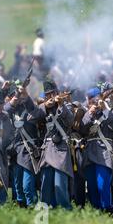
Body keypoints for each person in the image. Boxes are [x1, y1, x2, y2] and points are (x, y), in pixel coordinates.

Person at [80, 87, 113, 214]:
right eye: (91, 101)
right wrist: (90, 113)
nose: (93, 103)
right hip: (89, 153)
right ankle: (97, 211)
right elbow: (82, 129)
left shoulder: (109, 111)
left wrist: (104, 109)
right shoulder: (86, 113)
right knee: (92, 187)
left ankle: (108, 210)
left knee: (102, 185)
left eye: (95, 100)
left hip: (104, 152)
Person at [36, 78, 74, 209]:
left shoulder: (65, 106)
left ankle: (65, 211)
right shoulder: (44, 107)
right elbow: (32, 117)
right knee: (45, 184)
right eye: (48, 94)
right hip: (47, 149)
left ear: (57, 92)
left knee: (60, 184)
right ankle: (45, 213)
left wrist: (61, 105)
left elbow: (70, 121)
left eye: (53, 93)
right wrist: (46, 105)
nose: (50, 96)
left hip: (60, 148)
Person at [4, 81, 42, 208]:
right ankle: (22, 208)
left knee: (27, 186)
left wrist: (25, 96)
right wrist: (14, 98)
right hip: (14, 152)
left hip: (27, 152)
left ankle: (32, 207)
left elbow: (38, 113)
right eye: (15, 96)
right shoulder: (9, 111)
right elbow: (3, 110)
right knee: (17, 186)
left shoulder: (30, 108)